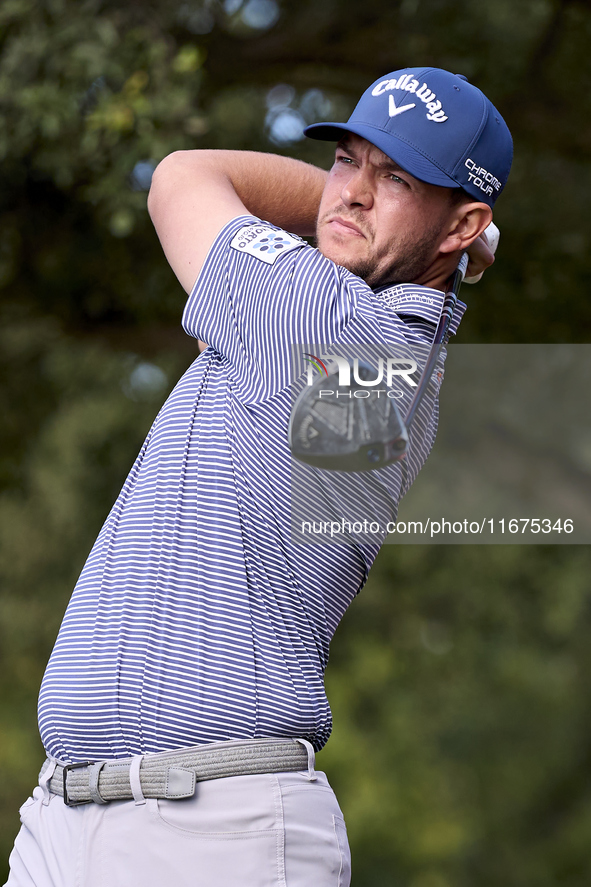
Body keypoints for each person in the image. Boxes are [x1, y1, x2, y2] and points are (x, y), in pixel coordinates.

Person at [4, 67, 512, 887]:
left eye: (397, 178)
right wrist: (416, 220)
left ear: (464, 224)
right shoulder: (351, 331)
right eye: (347, 160)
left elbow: (183, 176)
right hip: (71, 821)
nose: (353, 192)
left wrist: (354, 212)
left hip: (210, 831)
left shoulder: (327, 322)